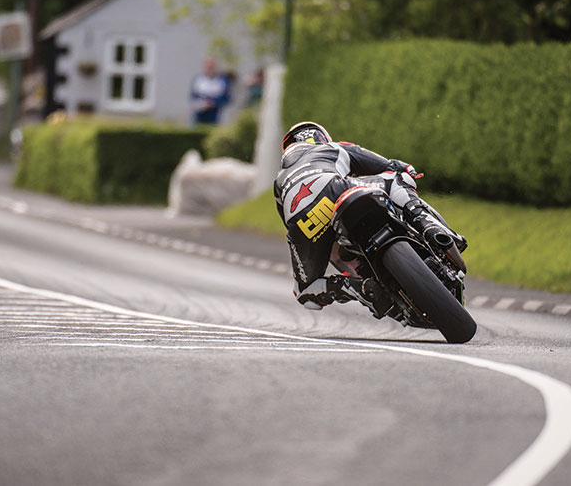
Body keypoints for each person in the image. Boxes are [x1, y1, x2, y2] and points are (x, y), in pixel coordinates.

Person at [273, 121, 466, 310]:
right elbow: (387, 165)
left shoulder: (280, 179)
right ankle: (433, 229)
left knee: (305, 292)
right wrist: (407, 169)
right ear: (321, 137)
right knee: (397, 180)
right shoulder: (334, 148)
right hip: (336, 188)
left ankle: (358, 288)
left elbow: (288, 223)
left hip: (304, 221)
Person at [189, 57, 231, 125]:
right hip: (200, 113)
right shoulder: (198, 79)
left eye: (211, 66)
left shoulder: (222, 80)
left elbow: (226, 98)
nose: (209, 68)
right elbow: (192, 97)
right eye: (208, 66)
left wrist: (214, 103)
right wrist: (200, 103)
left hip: (215, 114)